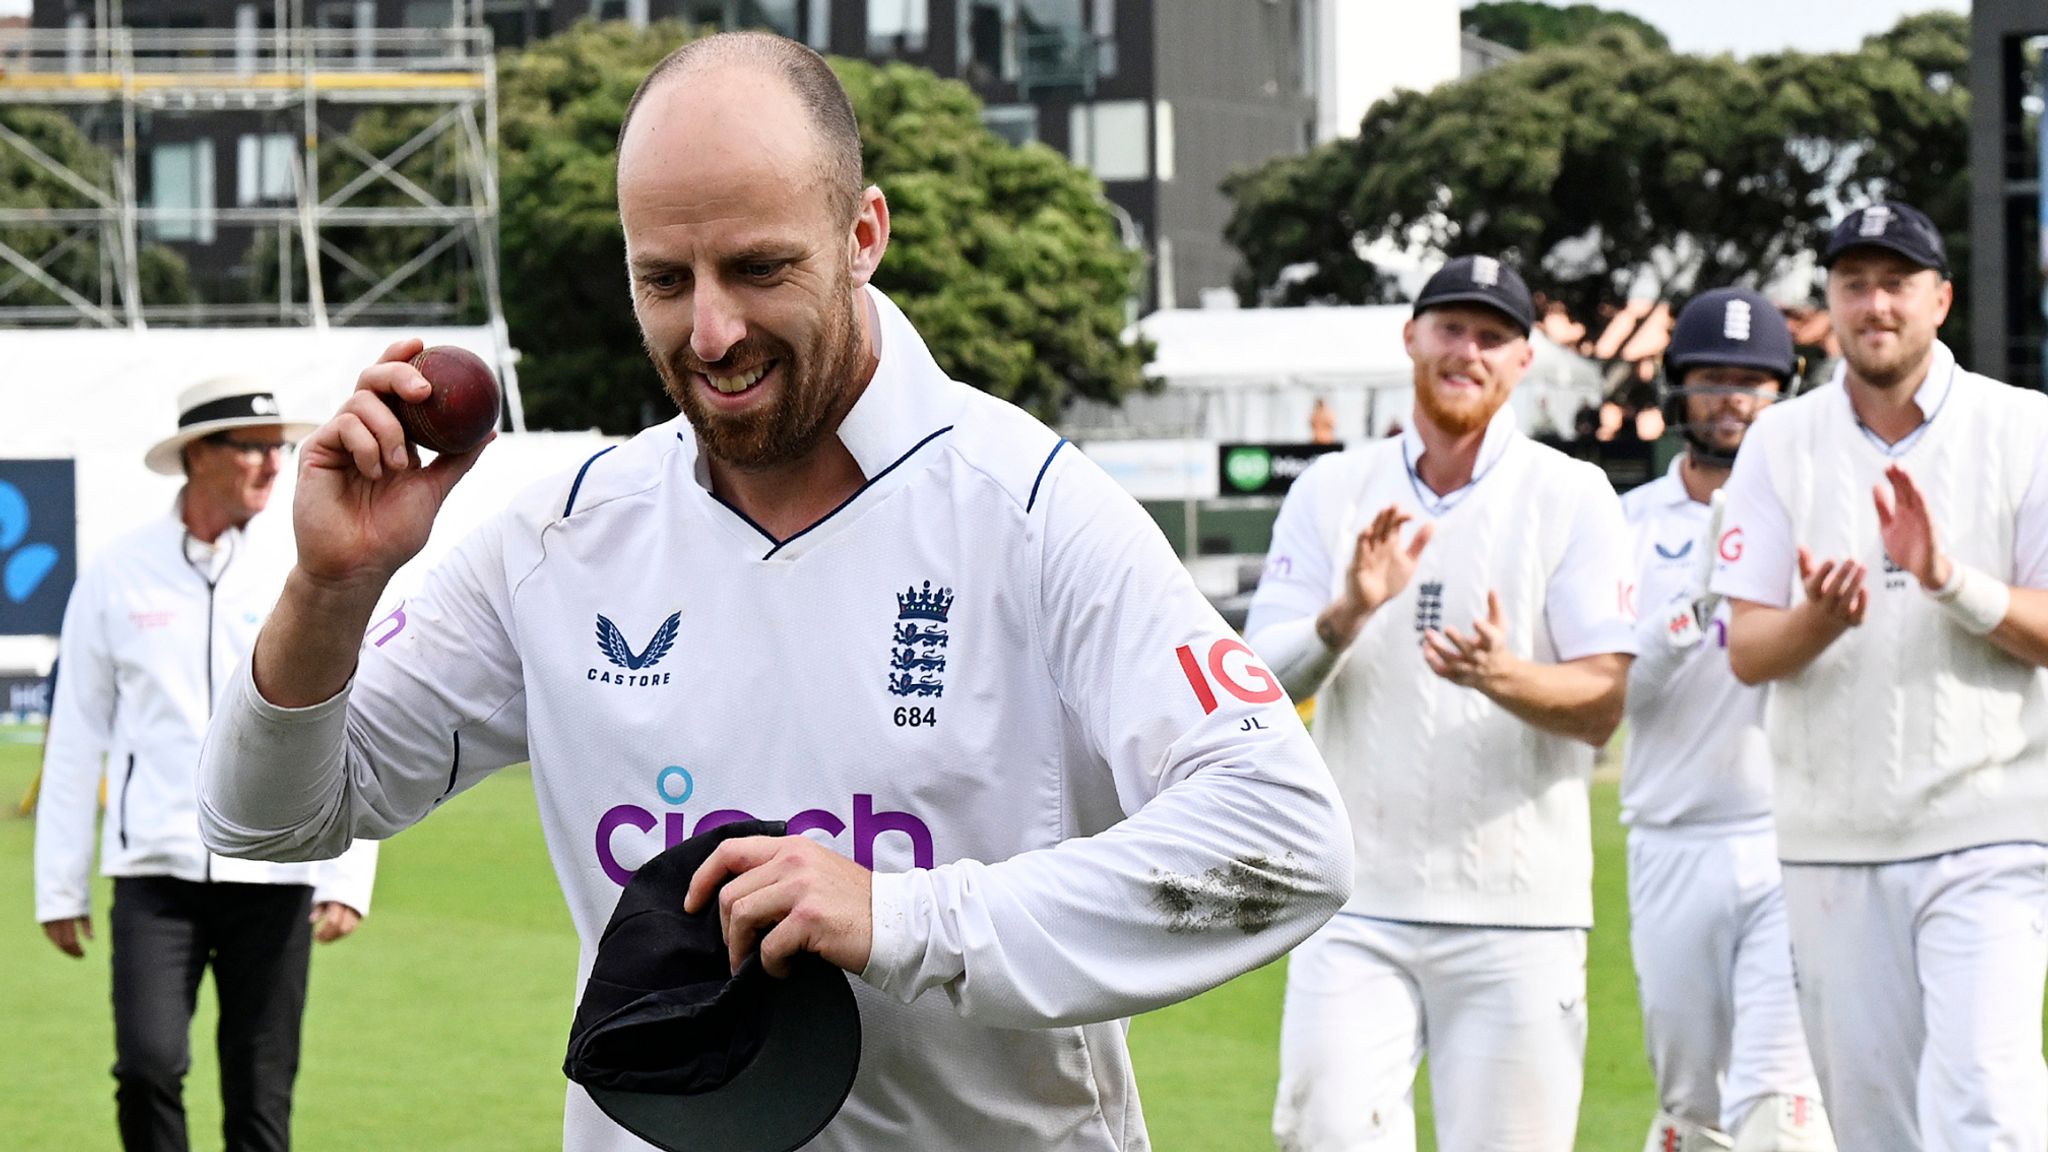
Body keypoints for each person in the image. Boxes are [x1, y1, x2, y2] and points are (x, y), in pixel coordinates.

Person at [196, 30, 1352, 1152]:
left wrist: (898, 916)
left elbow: (1284, 837)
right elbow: (266, 819)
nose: (709, 332)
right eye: (663, 279)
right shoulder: (559, 540)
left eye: (758, 268)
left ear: (862, 234)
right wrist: (332, 586)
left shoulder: (1031, 510)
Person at [1247, 254, 1637, 1152]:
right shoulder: (1331, 489)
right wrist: (1346, 614)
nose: (1468, 351)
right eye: (1451, 328)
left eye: (1493, 336)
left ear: (1524, 360)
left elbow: (1602, 701)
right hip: (1354, 901)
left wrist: (1502, 676)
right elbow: (1257, 683)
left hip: (1520, 911)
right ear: (1411, 336)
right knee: (1326, 1137)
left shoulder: (1572, 493)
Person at [1713, 200, 2048, 1150]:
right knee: (1875, 1128)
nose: (1875, 305)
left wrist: (1949, 581)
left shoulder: (2024, 427)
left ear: (1940, 299)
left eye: (1896, 283)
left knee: (1988, 1107)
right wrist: (1818, 622)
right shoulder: (1779, 440)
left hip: (1991, 828)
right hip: (1833, 839)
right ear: (1829, 302)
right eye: (1854, 284)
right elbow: (1747, 649)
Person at [34, 377, 379, 1152]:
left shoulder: (305, 567)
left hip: (279, 870)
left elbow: (349, 718)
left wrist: (347, 874)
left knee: (261, 1093)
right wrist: (59, 884)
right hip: (153, 873)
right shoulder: (118, 572)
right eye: (250, 448)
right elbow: (77, 731)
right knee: (148, 1067)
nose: (271, 464)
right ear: (197, 455)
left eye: (277, 447)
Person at [1619, 288, 1832, 1152]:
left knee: (1780, 1106)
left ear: (1786, 390)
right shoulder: (1627, 523)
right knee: (1692, 1109)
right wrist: (1691, 608)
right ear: (1678, 389)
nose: (1732, 400)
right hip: (1671, 838)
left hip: (1792, 837)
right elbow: (1610, 699)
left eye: (1753, 382)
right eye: (1713, 379)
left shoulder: (1819, 511)